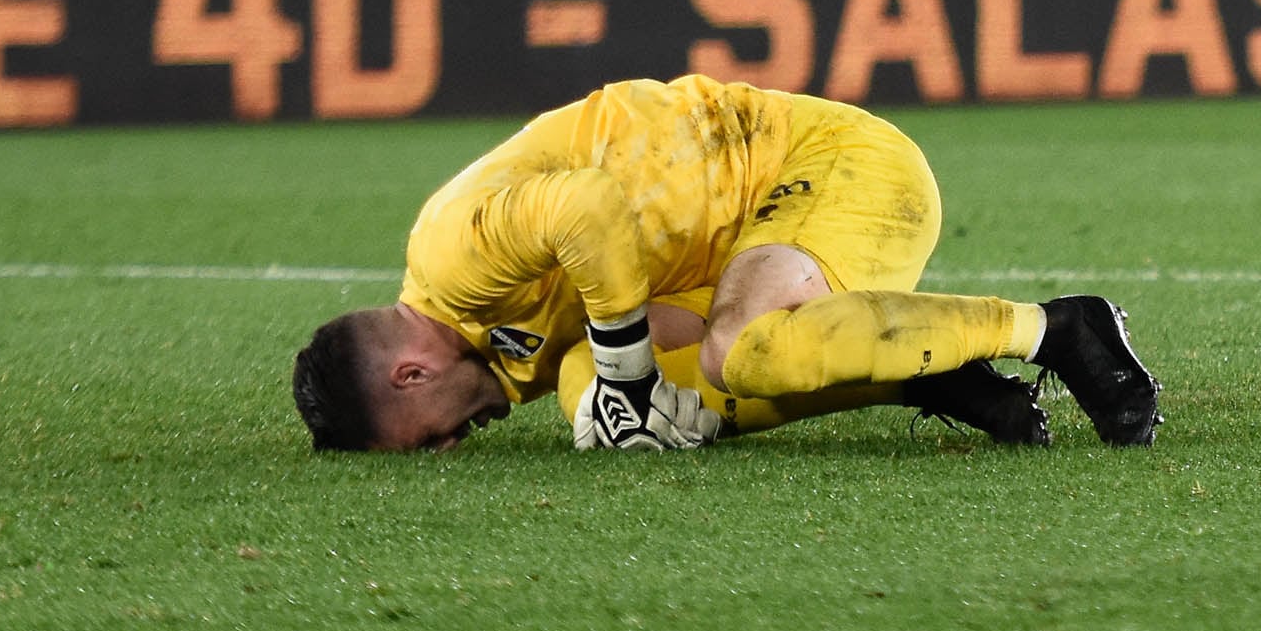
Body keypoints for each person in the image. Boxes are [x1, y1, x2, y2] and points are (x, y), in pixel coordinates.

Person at [286, 75, 1160, 453]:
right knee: (595, 391)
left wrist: (627, 373)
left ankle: (1058, 329)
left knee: (737, 353)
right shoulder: (498, 348)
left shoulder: (453, 253)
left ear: (408, 374)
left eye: (423, 440)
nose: (447, 448)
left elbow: (586, 208)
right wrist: (615, 385)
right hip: (744, 236)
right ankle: (927, 377)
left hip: (829, 164)